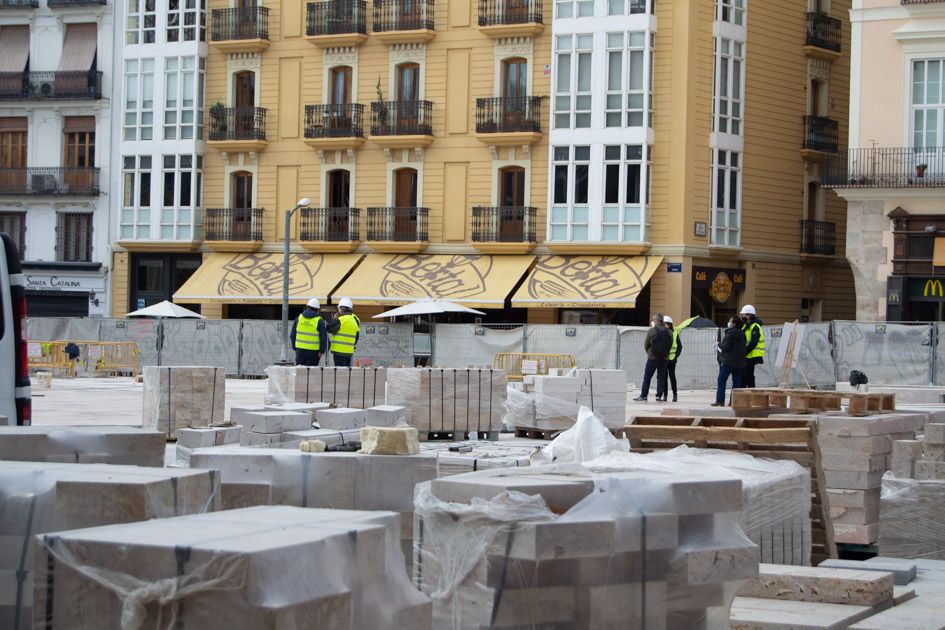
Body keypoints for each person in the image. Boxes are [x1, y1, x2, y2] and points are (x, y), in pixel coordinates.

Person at [633, 313, 672, 402]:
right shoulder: (669, 331)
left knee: (647, 376)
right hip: (664, 358)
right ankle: (658, 396)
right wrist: (665, 354)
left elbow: (646, 344)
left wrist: (650, 353)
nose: (653, 321)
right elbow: (670, 344)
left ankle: (643, 396)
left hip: (653, 358)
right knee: (661, 377)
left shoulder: (652, 331)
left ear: (657, 321)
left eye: (654, 320)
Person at [712, 316, 747, 406]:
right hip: (740, 362)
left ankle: (720, 401)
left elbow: (726, 347)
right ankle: (735, 402)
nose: (728, 322)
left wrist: (718, 344)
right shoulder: (742, 334)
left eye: (730, 321)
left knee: (721, 379)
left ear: (734, 324)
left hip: (729, 361)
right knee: (737, 382)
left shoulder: (730, 334)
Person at [289, 298, 327, 366]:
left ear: (307, 307)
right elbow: (323, 338)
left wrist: (295, 348)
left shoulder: (298, 319)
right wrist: (321, 351)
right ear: (317, 310)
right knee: (311, 373)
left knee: (300, 373)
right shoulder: (319, 321)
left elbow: (292, 335)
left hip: (300, 350)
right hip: (313, 352)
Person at [326, 297, 360, 367]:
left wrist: (334, 319)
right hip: (349, 352)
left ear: (341, 309)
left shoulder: (341, 320)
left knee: (340, 374)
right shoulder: (356, 320)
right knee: (347, 373)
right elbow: (357, 336)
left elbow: (329, 328)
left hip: (339, 352)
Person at [656, 315, 682, 402]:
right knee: (664, 378)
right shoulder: (662, 333)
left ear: (670, 325)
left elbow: (679, 346)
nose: (665, 325)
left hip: (672, 360)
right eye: (664, 324)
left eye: (667, 324)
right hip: (664, 359)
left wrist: (676, 355)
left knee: (672, 377)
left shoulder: (675, 334)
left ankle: (675, 395)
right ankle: (665, 395)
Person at [740, 304, 765, 388]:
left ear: (750, 315)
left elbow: (754, 342)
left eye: (745, 314)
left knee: (749, 376)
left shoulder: (755, 326)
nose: (743, 316)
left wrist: (745, 351)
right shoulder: (745, 326)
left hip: (752, 355)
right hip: (746, 355)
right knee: (743, 376)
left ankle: (751, 393)